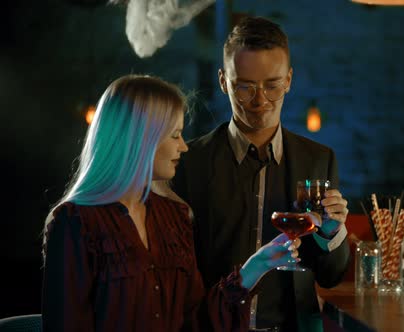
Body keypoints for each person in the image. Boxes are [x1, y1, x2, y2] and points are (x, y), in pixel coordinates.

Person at [41, 74, 302, 332]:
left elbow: (196, 319)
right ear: (141, 139)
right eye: (175, 135)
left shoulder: (175, 216)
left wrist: (257, 265)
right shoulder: (75, 222)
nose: (184, 147)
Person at [170, 17, 351, 331]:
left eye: (272, 85)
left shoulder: (319, 160)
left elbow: (330, 277)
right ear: (224, 81)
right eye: (245, 87)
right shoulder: (188, 162)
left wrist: (331, 234)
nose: (260, 101)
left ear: (289, 80)